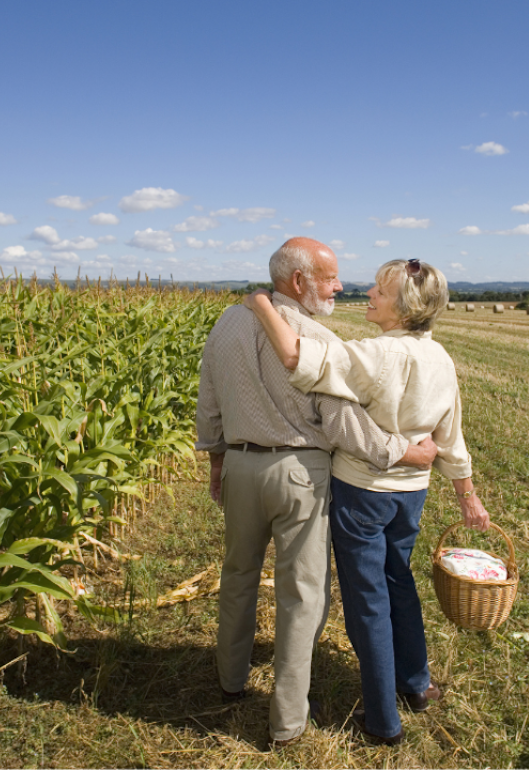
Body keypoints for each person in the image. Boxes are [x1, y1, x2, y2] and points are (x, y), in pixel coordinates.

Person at [195, 238, 438, 748]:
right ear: (299, 282)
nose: (340, 286)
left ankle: (229, 680)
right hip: (301, 474)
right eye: (329, 278)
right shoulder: (317, 339)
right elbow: (343, 422)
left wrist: (218, 460)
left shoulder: (226, 323)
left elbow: (209, 397)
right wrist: (401, 451)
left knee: (237, 574)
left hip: (240, 466)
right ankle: (286, 722)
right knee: (302, 595)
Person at [243, 258, 491, 745]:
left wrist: (260, 304)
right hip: (411, 497)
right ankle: (417, 685)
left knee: (367, 603)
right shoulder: (440, 357)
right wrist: (468, 496)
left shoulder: (377, 354)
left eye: (380, 290)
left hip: (363, 493)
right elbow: (451, 435)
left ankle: (381, 721)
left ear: (402, 308)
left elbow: (296, 357)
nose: (369, 294)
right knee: (400, 582)